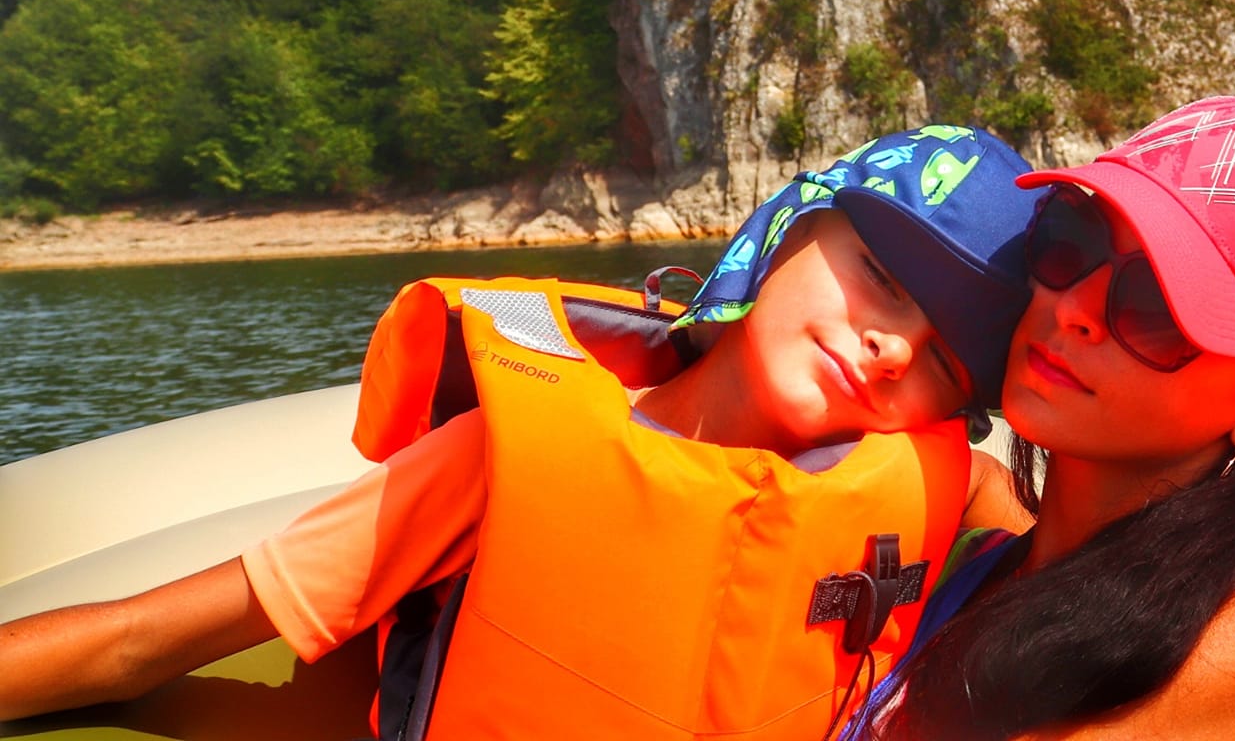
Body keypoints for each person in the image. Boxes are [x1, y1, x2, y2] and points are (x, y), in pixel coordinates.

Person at [0, 125, 1047, 740]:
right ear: (789, 226)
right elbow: (138, 639)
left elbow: (1034, 516)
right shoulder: (500, 461)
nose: (890, 347)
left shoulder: (938, 486)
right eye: (879, 275)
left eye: (944, 362)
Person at [850, 95, 1235, 739]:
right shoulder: (1006, 558)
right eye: (1067, 242)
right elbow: (992, 492)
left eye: (1154, 306)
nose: (1074, 305)